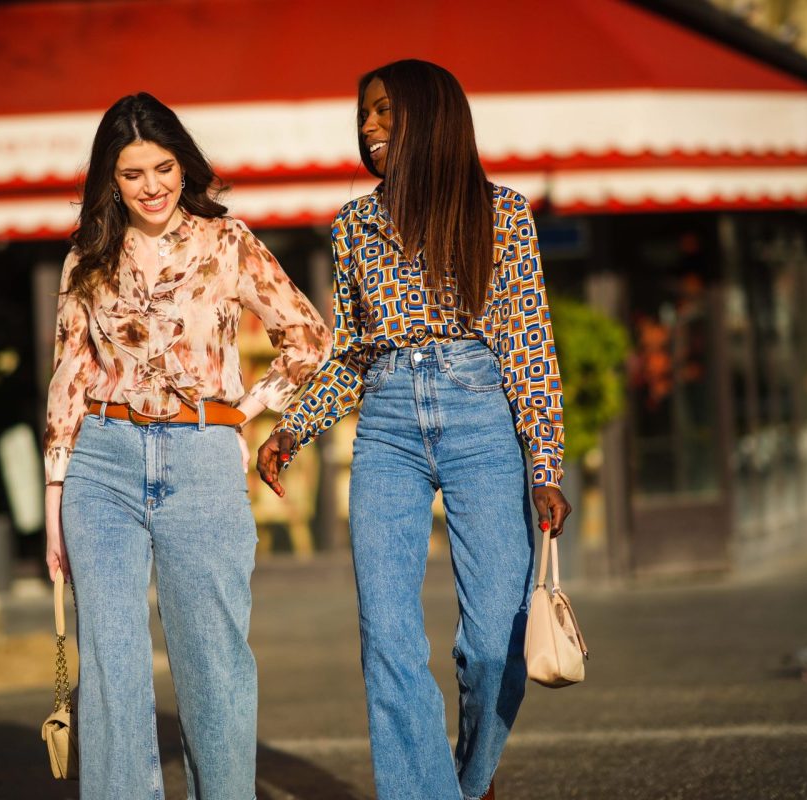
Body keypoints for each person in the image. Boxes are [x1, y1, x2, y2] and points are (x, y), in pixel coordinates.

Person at [257, 59, 571, 800]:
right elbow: (353, 352)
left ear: (430, 119)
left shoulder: (502, 215)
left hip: (480, 417)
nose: (368, 128)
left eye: (385, 113)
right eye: (364, 115)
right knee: (389, 637)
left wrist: (545, 466)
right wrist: (293, 429)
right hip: (388, 428)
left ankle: (470, 778)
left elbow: (528, 345)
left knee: (494, 642)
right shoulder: (353, 225)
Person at [43, 92, 330, 800]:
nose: (152, 187)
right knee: (110, 667)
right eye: (132, 173)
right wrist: (54, 498)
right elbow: (69, 374)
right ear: (110, 180)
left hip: (202, 456)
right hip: (100, 462)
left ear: (184, 164)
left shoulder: (227, 241)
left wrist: (243, 413)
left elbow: (309, 338)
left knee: (213, 662)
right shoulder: (87, 254)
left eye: (164, 168)